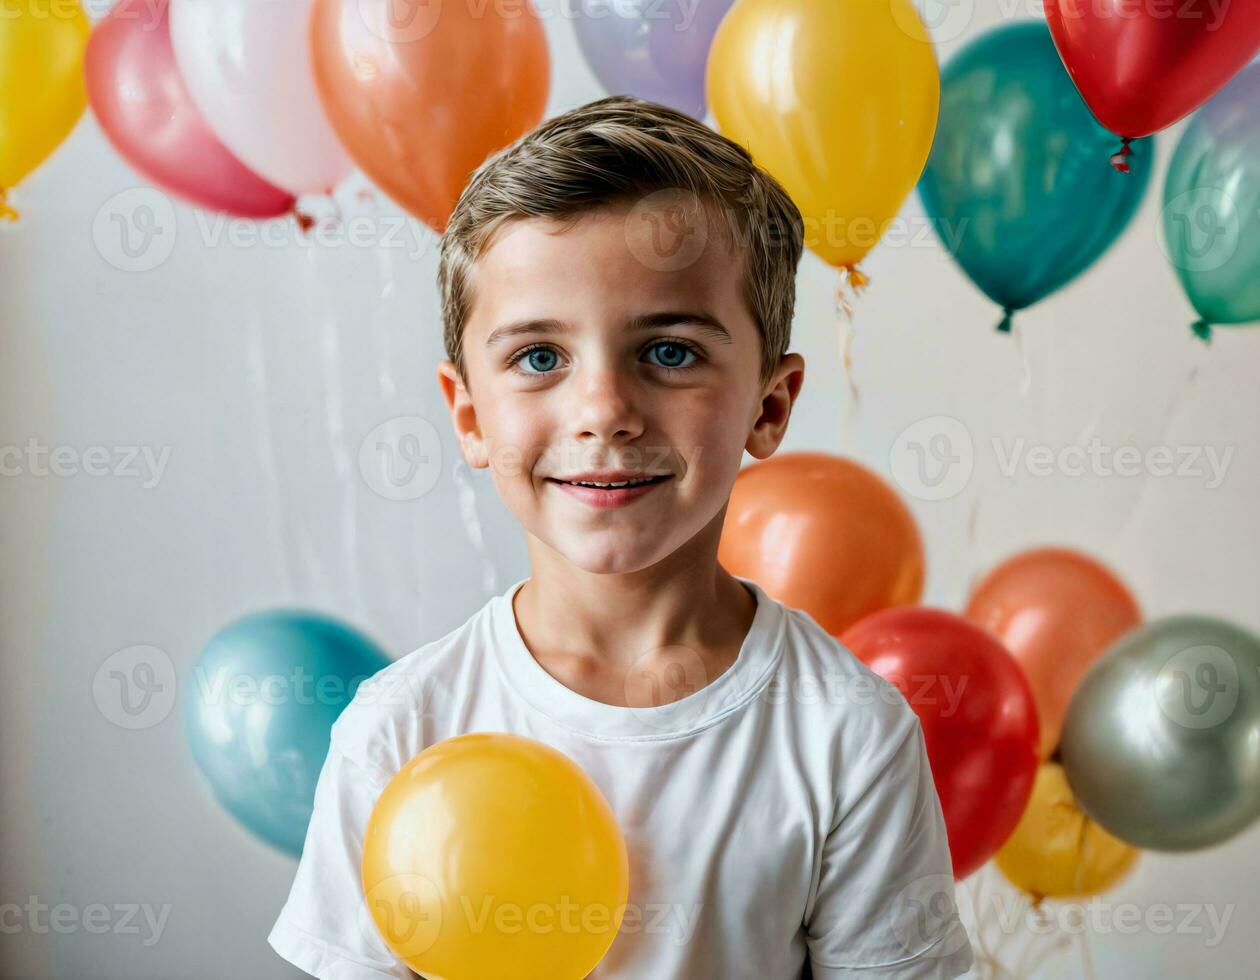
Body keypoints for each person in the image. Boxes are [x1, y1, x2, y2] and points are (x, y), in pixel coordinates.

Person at [268, 95, 974, 979]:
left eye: (669, 351)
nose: (603, 410)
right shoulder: (399, 733)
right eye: (538, 358)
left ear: (770, 403)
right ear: (468, 414)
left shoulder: (848, 738)